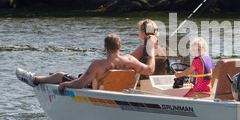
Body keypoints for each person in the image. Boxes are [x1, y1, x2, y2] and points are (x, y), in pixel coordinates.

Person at [16, 34, 156, 94]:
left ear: (105, 48)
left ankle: (34, 80)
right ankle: (42, 78)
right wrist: (151, 51)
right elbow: (150, 69)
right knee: (76, 76)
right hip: (119, 91)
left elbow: (79, 84)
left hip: (97, 90)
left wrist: (64, 84)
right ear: (120, 47)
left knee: (60, 76)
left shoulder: (98, 64)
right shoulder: (130, 61)